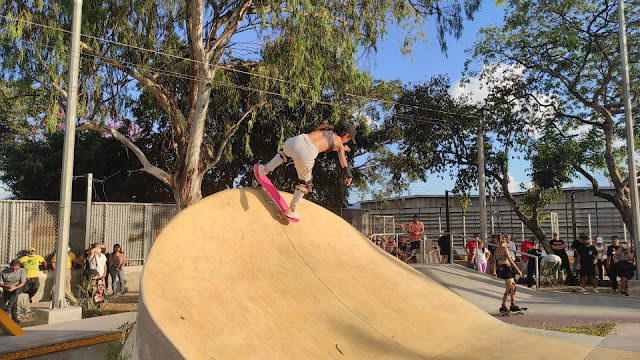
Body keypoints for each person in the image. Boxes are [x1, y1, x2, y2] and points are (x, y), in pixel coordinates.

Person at [257, 122, 356, 220]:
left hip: (296, 141)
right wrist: (348, 174)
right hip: (307, 153)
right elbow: (342, 160)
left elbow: (326, 142)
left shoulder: (327, 130)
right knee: (305, 183)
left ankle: (264, 170)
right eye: (349, 139)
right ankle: (291, 209)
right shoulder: (339, 143)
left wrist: (343, 148)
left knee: (284, 154)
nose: (347, 142)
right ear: (346, 135)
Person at [492, 234, 523, 313]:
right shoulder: (504, 248)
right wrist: (518, 270)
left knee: (513, 287)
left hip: (503, 268)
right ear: (504, 241)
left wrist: (494, 272)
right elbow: (510, 260)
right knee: (509, 288)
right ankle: (503, 305)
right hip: (506, 268)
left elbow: (494, 262)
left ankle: (513, 304)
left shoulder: (497, 249)